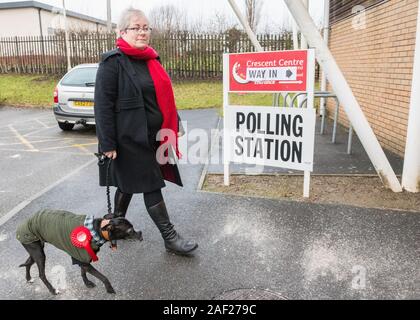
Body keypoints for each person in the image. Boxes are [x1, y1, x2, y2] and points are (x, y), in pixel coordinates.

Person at [94, 7, 197, 256]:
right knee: (152, 184)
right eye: (136, 27)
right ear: (122, 32)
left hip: (153, 136)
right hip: (128, 139)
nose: (142, 32)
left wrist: (177, 123)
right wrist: (107, 144)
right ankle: (170, 238)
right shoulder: (112, 63)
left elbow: (163, 100)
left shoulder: (152, 60)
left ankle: (114, 224)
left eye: (145, 28)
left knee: (128, 184)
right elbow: (103, 106)